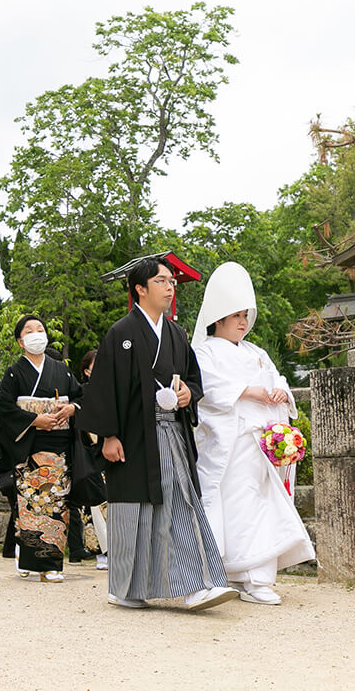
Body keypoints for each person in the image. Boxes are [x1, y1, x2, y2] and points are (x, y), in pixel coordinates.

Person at [80, 257, 235, 611]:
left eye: (171, 282)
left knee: (180, 503)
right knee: (133, 511)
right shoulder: (121, 333)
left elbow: (194, 381)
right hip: (132, 437)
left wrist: (187, 395)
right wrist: (108, 435)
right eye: (162, 281)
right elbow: (103, 389)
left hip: (170, 433)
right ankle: (128, 588)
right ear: (140, 289)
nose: (170, 287)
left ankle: (196, 585)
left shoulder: (177, 335)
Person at [191, 262, 315, 605]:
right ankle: (231, 572)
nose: (243, 322)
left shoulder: (256, 352)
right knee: (235, 507)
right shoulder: (203, 352)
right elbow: (208, 389)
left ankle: (258, 577)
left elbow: (278, 381)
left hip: (259, 444)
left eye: (246, 315)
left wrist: (279, 393)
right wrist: (247, 391)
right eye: (235, 316)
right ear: (218, 319)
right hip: (230, 444)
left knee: (260, 507)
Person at [0, 315, 83, 583]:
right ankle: (30, 555)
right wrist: (34, 419)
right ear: (21, 341)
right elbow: (4, 405)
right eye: (29, 331)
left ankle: (51, 563)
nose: (36, 334)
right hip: (31, 447)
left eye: (40, 329)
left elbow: (80, 396)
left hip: (59, 447)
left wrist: (71, 409)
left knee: (56, 504)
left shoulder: (62, 370)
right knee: (32, 506)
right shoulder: (14, 372)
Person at [71, 349, 108, 571]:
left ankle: (117, 547)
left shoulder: (113, 390)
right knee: (91, 506)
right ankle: (99, 551)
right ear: (87, 371)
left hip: (110, 449)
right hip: (88, 449)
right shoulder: (81, 393)